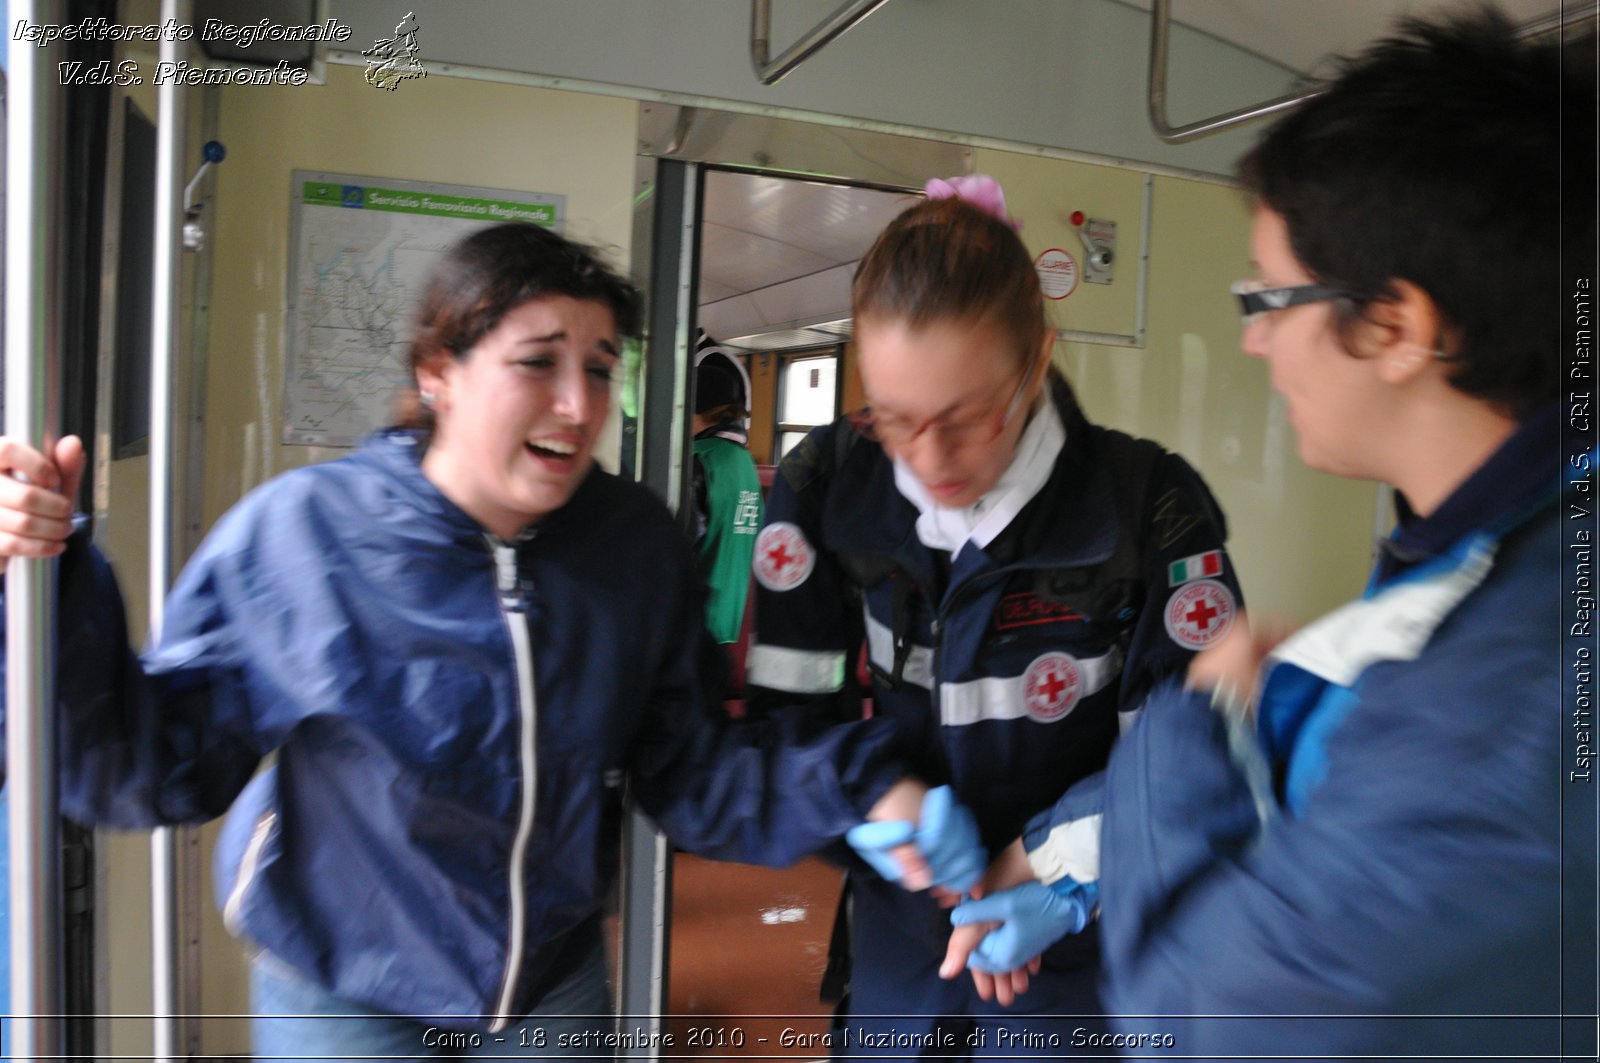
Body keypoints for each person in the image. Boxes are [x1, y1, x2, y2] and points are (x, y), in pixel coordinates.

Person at [0, 222, 955, 1061]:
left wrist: (865, 782)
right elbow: (149, 765)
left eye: (599, 365)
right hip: (344, 983)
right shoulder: (306, 539)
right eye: (538, 361)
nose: (581, 404)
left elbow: (694, 767)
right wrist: (52, 586)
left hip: (550, 974)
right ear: (439, 373)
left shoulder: (633, 547)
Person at [1084, 9, 1597, 1058]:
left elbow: (1204, 1024)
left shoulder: (1523, 689)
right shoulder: (1498, 553)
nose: (1252, 337)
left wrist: (1186, 728)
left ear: (1396, 326)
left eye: (1269, 297)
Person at [744, 175, 1244, 1054]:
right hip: (902, 955)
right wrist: (867, 794)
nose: (929, 459)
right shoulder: (827, 482)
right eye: (894, 418)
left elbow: (1192, 746)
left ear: (1037, 359)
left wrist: (1054, 865)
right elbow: (787, 716)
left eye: (966, 418)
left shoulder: (1149, 509)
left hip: (1081, 953)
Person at [689, 331, 763, 646]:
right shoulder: (746, 465)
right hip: (732, 626)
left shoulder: (699, 462)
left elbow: (680, 548)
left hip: (694, 624)